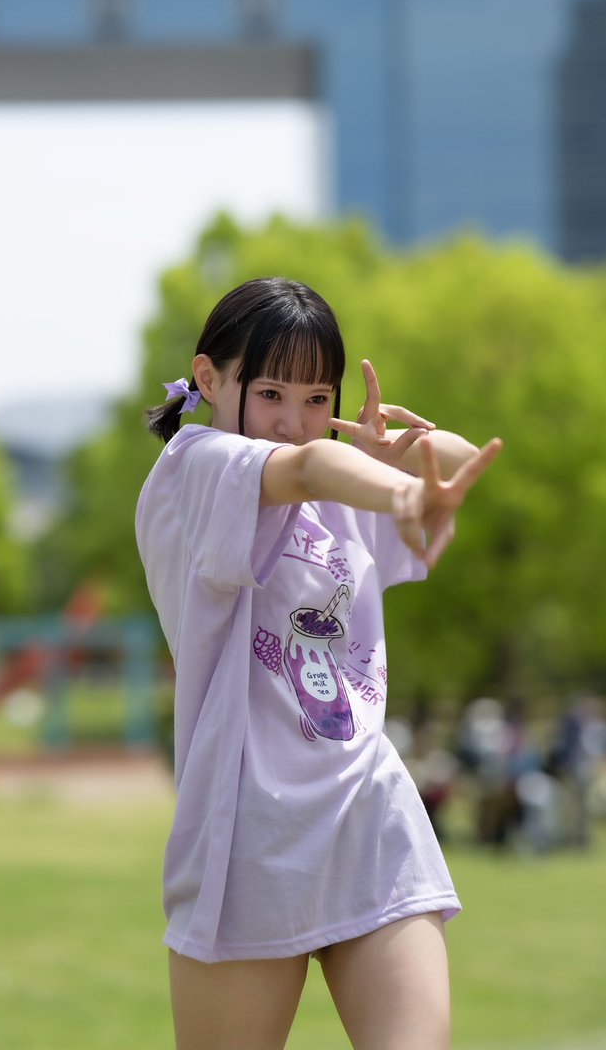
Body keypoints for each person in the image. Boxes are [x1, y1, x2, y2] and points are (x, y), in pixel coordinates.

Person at [135, 278, 502, 1050]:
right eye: (268, 391)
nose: (294, 421)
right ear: (208, 380)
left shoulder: (347, 485)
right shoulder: (194, 468)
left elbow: (462, 463)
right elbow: (304, 471)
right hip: (248, 837)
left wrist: (390, 461)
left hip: (368, 816)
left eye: (315, 398)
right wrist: (395, 491)